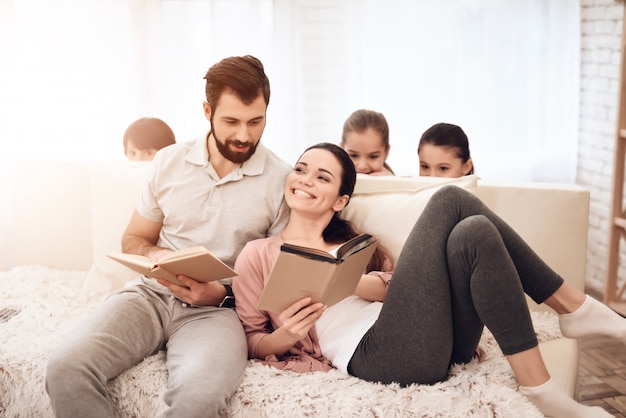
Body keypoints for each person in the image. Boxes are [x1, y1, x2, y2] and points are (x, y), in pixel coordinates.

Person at [233, 142, 618, 418]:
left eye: (322, 177)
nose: (305, 180)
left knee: (475, 231)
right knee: (450, 199)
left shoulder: (355, 244)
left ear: (340, 200)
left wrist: (347, 280)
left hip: (435, 340)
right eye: (300, 169)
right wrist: (285, 336)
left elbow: (400, 289)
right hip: (378, 355)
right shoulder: (260, 253)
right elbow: (251, 339)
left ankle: (550, 363)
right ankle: (569, 316)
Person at [45, 55, 292, 418]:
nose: (244, 135)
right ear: (207, 110)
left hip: (218, 312)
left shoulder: (281, 180)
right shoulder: (168, 162)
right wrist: (157, 255)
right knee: (66, 367)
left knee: (198, 398)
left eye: (256, 121)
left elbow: (275, 282)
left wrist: (221, 294)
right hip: (151, 293)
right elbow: (133, 239)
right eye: (231, 121)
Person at [340, 109, 394, 175]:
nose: (362, 166)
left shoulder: (397, 183)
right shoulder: (330, 180)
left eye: (373, 157)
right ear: (341, 149)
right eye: (353, 155)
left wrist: (391, 183)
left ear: (386, 153)